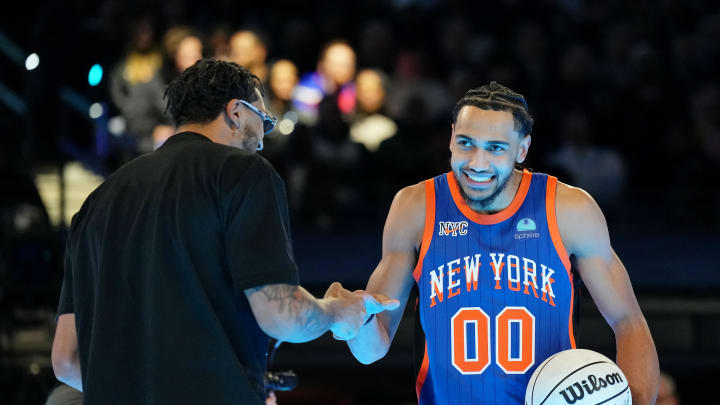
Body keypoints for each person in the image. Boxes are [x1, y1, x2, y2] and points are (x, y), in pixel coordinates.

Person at [51, 59, 398, 405]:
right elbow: (283, 315)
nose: (263, 137)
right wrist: (338, 311)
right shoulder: (244, 172)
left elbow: (66, 360)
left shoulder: (97, 201)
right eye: (263, 119)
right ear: (235, 112)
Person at [345, 82, 659, 404]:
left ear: (522, 150)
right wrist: (357, 319)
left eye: (495, 148)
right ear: (452, 138)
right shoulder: (415, 208)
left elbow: (628, 323)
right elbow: (371, 351)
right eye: (466, 143)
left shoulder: (569, 210)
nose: (477, 163)